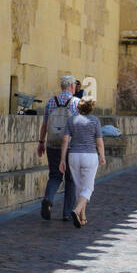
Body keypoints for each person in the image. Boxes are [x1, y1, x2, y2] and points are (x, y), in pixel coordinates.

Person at [38, 75, 80, 221]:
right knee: (70, 178)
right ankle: (67, 213)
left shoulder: (50, 102)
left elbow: (45, 125)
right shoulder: (76, 103)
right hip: (70, 146)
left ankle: (48, 199)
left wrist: (41, 142)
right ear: (71, 86)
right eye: (75, 85)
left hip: (52, 144)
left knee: (55, 176)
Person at [59, 98, 105, 227]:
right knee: (89, 187)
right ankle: (77, 210)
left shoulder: (71, 120)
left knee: (79, 187)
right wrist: (102, 156)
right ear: (91, 108)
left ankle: (82, 217)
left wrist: (62, 159)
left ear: (78, 108)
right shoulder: (95, 121)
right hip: (90, 155)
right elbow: (99, 143)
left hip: (74, 155)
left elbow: (65, 141)